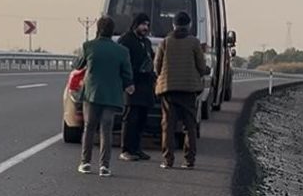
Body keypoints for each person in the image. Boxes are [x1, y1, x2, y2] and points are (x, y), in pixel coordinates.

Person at [72, 16, 134, 177]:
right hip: (112, 95)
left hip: (92, 94)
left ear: (98, 29)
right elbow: (127, 74)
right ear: (112, 31)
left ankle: (85, 163)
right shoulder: (122, 51)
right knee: (106, 130)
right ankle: (104, 166)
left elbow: (78, 65)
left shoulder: (89, 46)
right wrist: (129, 86)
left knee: (89, 127)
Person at [154, 11, 209, 169]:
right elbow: (201, 66)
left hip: (168, 90)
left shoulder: (165, 42)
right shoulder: (194, 42)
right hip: (188, 90)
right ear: (189, 25)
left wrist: (161, 77)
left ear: (174, 25)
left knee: (168, 126)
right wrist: (203, 71)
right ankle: (189, 160)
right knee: (189, 126)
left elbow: (157, 66)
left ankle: (168, 160)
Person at [117, 13, 156, 161]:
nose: (145, 27)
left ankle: (137, 148)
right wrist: (127, 83)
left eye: (147, 25)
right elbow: (121, 63)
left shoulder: (146, 42)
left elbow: (151, 58)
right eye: (143, 24)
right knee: (130, 118)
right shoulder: (126, 40)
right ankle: (126, 149)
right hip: (132, 84)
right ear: (135, 24)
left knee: (142, 118)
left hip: (146, 84)